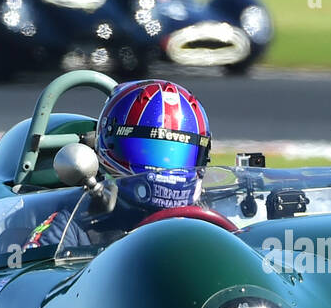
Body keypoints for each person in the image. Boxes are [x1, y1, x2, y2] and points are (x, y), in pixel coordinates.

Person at [28, 79, 212, 248]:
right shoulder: (76, 225)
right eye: (146, 149)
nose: (164, 167)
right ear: (109, 145)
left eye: (177, 154)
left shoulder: (214, 221)